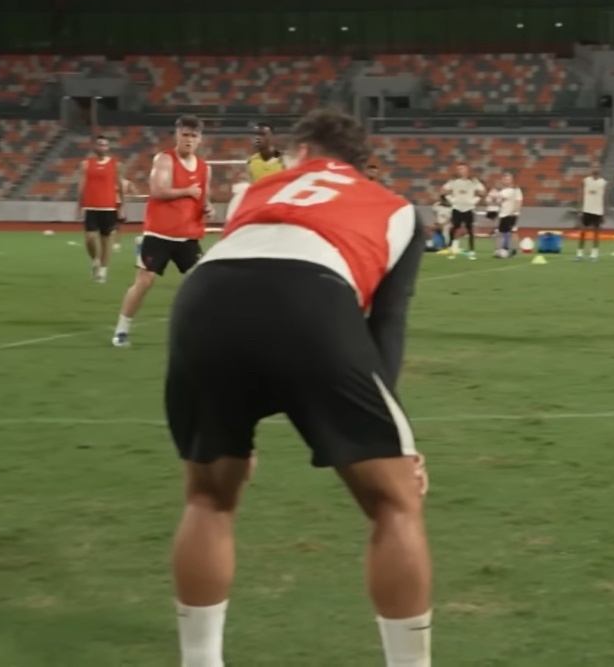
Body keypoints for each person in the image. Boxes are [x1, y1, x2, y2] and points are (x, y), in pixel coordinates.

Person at [165, 108, 432, 667]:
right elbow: (386, 325)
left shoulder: (250, 193)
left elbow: (253, 283)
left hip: (204, 298)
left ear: (303, 153)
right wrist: (392, 442)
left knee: (208, 495)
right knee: (394, 501)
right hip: (312, 297)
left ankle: (200, 661)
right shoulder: (400, 209)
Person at [112, 115, 212, 347]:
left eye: (193, 136)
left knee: (201, 283)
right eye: (185, 135)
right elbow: (157, 190)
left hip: (188, 237)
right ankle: (122, 330)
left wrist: (207, 208)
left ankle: (201, 331)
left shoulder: (204, 168)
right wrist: (187, 191)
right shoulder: (165, 159)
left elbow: (203, 197)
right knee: (144, 282)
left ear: (200, 139)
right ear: (177, 135)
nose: (188, 140)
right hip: (159, 234)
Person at [76, 135, 123, 282]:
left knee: (106, 241)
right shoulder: (86, 164)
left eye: (105, 145)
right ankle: (95, 260)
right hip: (91, 207)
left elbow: (120, 186)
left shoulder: (115, 164)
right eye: (100, 145)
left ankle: (103, 271)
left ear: (108, 147)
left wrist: (121, 207)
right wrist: (79, 206)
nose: (103, 147)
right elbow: (81, 186)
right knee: (90, 238)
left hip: (108, 207)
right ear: (95, 147)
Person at [442, 164, 485, 259]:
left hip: (468, 208)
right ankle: (451, 249)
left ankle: (471, 251)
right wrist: (451, 199)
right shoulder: (454, 181)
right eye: (459, 169)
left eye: (462, 169)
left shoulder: (473, 181)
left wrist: (475, 200)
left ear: (467, 170)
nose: (461, 171)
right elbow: (444, 190)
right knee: (454, 227)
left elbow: (482, 191)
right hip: (457, 208)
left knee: (469, 229)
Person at [575, 166, 607, 262]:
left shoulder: (603, 182)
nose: (595, 169)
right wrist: (580, 209)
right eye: (594, 168)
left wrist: (604, 212)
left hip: (598, 211)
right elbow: (581, 196)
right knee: (583, 232)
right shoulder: (586, 181)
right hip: (586, 210)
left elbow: (604, 198)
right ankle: (579, 254)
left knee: (596, 234)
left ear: (599, 170)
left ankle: (594, 254)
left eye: (597, 168)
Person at [495, 172, 523, 257]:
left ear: (511, 180)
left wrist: (515, 211)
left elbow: (519, 201)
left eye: (508, 179)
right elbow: (499, 202)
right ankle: (502, 250)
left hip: (511, 214)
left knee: (509, 231)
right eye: (505, 179)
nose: (506, 181)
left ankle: (507, 250)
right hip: (503, 213)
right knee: (502, 232)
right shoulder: (502, 191)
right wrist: (498, 200)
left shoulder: (516, 189)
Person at [113, 177, 139, 251]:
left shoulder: (125, 182)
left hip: (119, 206)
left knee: (118, 226)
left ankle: (116, 243)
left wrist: (132, 193)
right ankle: (113, 243)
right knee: (110, 226)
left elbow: (135, 191)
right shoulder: (110, 181)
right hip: (110, 205)